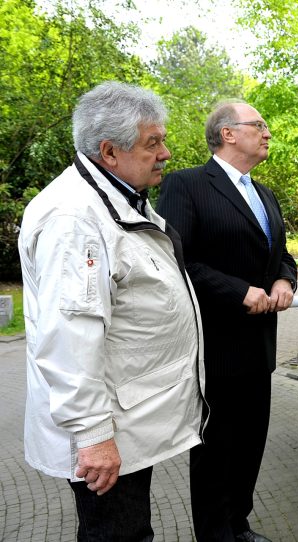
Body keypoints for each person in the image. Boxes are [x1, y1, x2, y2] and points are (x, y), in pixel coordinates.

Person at [17, 81, 206, 541]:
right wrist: (94, 435)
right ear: (109, 151)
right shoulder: (75, 219)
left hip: (127, 418)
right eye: (152, 143)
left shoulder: (112, 198)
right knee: (119, 535)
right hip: (106, 430)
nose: (165, 153)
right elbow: (69, 336)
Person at [157, 100, 297, 542]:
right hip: (215, 349)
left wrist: (283, 281)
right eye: (259, 125)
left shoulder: (265, 193)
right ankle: (216, 534)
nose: (267, 132)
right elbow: (176, 259)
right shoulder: (187, 185)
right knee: (217, 453)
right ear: (228, 134)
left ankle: (240, 525)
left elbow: (282, 255)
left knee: (251, 447)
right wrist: (238, 292)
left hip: (261, 348)